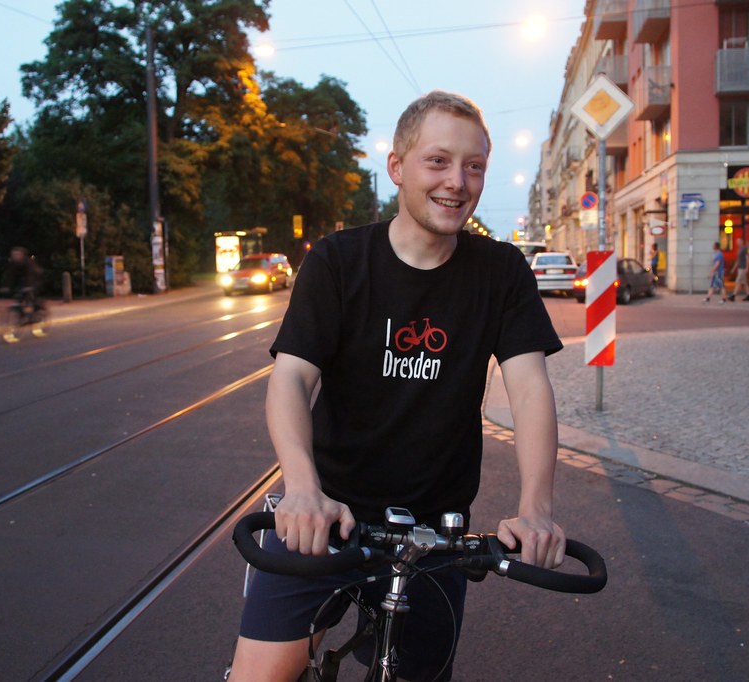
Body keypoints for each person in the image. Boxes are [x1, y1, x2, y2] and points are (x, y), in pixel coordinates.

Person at [228, 90, 566, 682]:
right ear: (397, 167)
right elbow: (291, 378)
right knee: (263, 675)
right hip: (326, 515)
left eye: (474, 166)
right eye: (438, 161)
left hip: (436, 531)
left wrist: (535, 509)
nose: (457, 181)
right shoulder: (338, 260)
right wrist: (303, 490)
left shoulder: (502, 271)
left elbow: (531, 388)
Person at [1, 247, 46, 336]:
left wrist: (29, 286)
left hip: (34, 282)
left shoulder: (28, 263)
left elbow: (31, 275)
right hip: (23, 284)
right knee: (19, 298)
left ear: (21, 255)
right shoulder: (13, 264)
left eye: (17, 254)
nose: (15, 256)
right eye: (14, 255)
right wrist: (6, 286)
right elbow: (10, 275)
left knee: (31, 296)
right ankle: (22, 314)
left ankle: (35, 314)